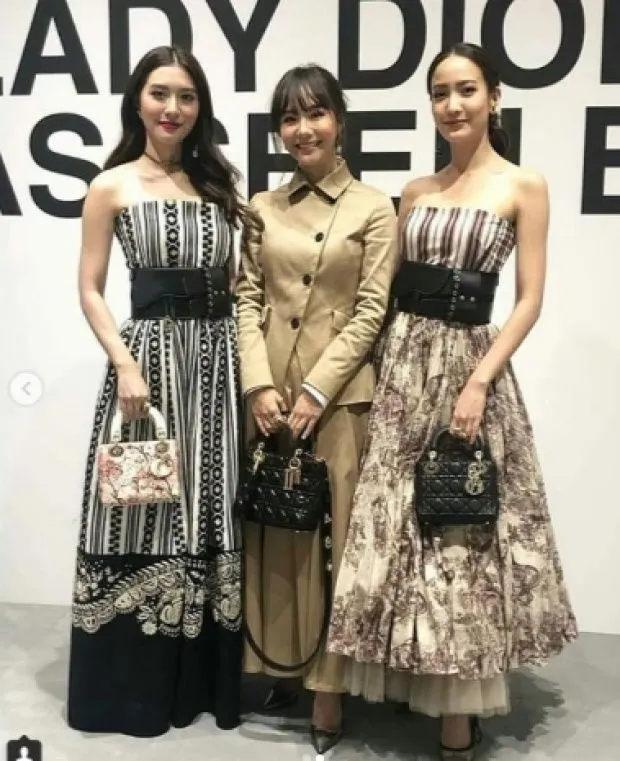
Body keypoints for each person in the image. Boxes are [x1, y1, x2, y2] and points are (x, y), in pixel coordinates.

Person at [327, 42, 578, 759]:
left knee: (457, 525)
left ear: (493, 97)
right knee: (394, 525)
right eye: (439, 92)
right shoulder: (416, 191)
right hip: (404, 364)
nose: (452, 104)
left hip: (470, 363)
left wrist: (479, 381)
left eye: (466, 89)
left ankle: (456, 709)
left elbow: (528, 300)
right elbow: (387, 293)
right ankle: (399, 672)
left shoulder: (523, 185)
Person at [67, 45, 257, 737]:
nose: (173, 108)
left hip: (217, 364)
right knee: (140, 507)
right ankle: (131, 690)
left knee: (211, 506)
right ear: (138, 101)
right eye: (160, 93)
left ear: (200, 106)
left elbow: (238, 284)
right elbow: (90, 287)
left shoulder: (218, 184)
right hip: (148, 364)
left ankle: (201, 684)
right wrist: (123, 362)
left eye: (186, 96)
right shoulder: (111, 185)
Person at [235, 64, 398, 754]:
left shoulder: (374, 207)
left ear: (340, 121)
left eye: (316, 113)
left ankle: (329, 688)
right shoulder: (263, 206)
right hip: (269, 399)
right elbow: (246, 298)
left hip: (338, 403)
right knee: (276, 536)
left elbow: (371, 312)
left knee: (334, 543)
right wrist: (257, 383)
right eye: (289, 118)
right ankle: (281, 662)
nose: (303, 129)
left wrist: (317, 389)